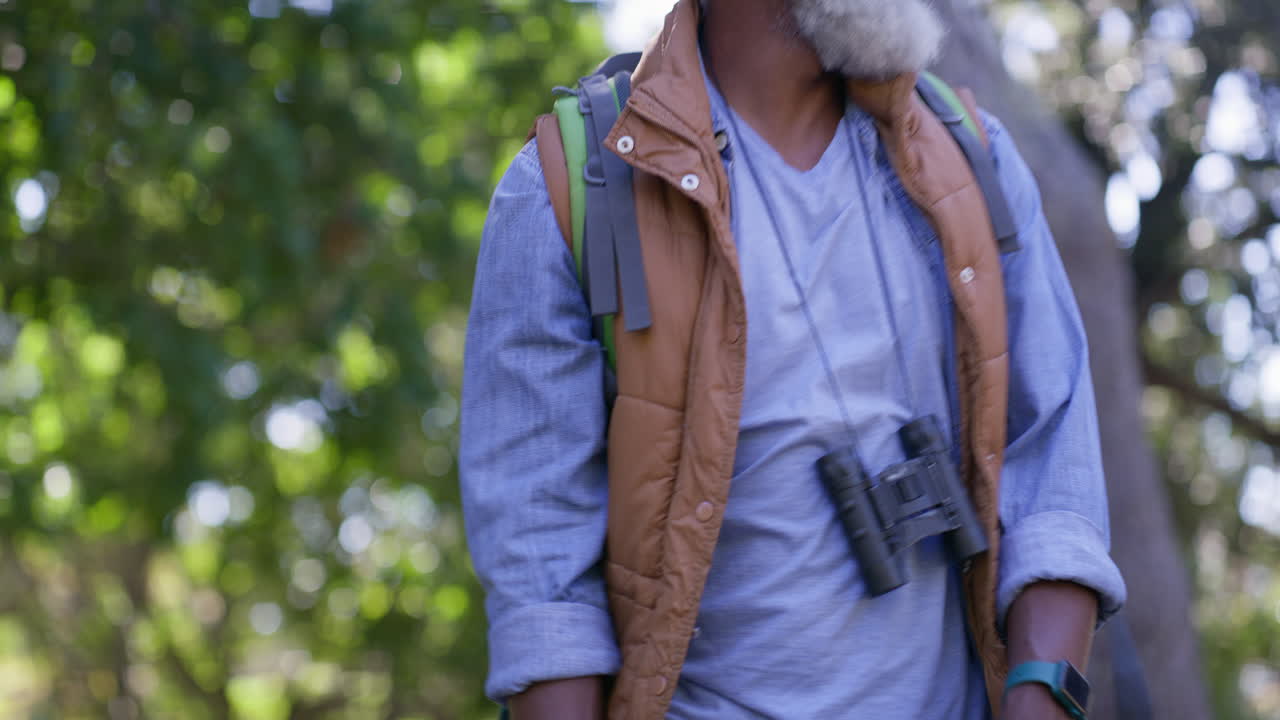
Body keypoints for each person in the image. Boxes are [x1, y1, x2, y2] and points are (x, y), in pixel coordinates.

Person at [459, 0, 1126, 718]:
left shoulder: (971, 158)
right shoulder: (566, 189)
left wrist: (1043, 699)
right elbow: (546, 595)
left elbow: (1057, 480)